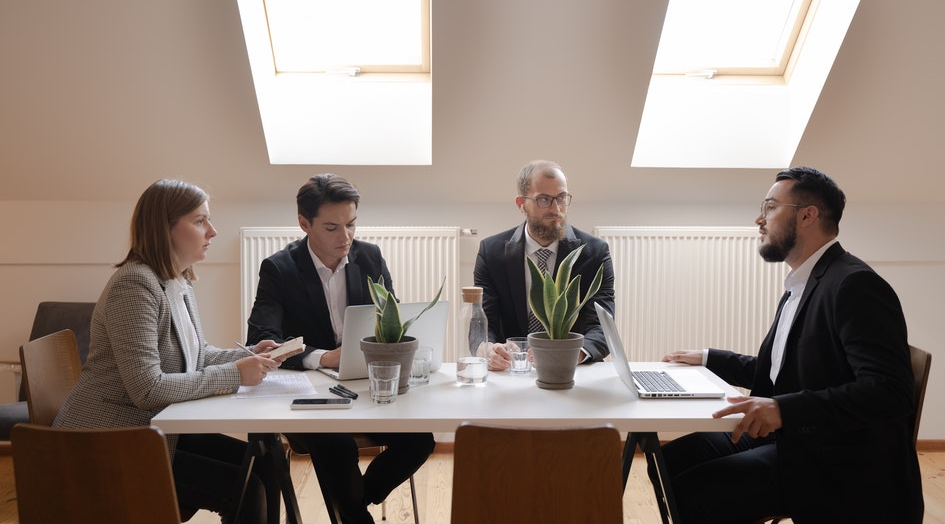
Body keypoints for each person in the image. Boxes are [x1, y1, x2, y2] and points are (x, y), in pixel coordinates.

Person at [659, 166, 923, 523]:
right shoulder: (804, 283)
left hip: (839, 461)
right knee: (668, 461)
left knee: (694, 492)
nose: (759, 218)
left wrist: (783, 410)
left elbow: (890, 391)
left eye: (769, 207)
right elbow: (785, 372)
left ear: (807, 215)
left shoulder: (854, 285)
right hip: (800, 435)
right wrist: (708, 358)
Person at [54, 179, 284, 523]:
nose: (213, 231)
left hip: (152, 432)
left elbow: (198, 355)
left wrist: (248, 355)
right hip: (105, 445)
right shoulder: (134, 285)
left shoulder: (177, 281)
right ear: (165, 229)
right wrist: (235, 374)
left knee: (267, 462)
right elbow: (147, 389)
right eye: (200, 220)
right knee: (247, 486)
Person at [246, 173, 435, 524]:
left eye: (351, 224)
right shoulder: (279, 268)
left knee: (420, 439)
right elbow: (260, 339)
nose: (346, 237)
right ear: (305, 223)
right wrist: (322, 357)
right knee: (336, 444)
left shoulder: (370, 257)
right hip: (306, 397)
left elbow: (390, 322)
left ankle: (356, 504)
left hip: (363, 388)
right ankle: (355, 516)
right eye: (332, 228)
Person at [473, 160, 615, 370]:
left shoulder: (595, 253)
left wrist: (573, 354)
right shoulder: (491, 252)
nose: (556, 208)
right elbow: (483, 322)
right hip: (512, 370)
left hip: (571, 370)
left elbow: (602, 327)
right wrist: (487, 349)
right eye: (543, 200)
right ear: (521, 203)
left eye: (561, 198)